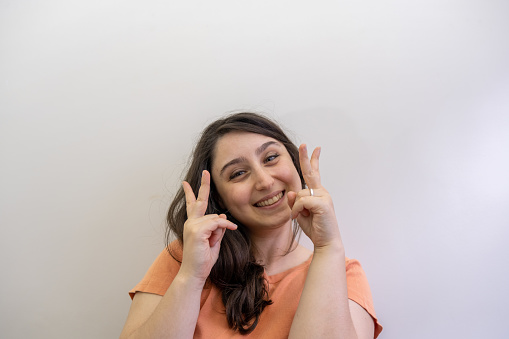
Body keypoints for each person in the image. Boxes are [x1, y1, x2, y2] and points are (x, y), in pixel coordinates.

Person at [120, 112, 383, 338]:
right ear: (218, 198)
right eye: (238, 173)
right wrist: (192, 276)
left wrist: (327, 247)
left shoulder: (343, 273)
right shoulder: (184, 258)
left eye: (270, 158)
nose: (265, 181)